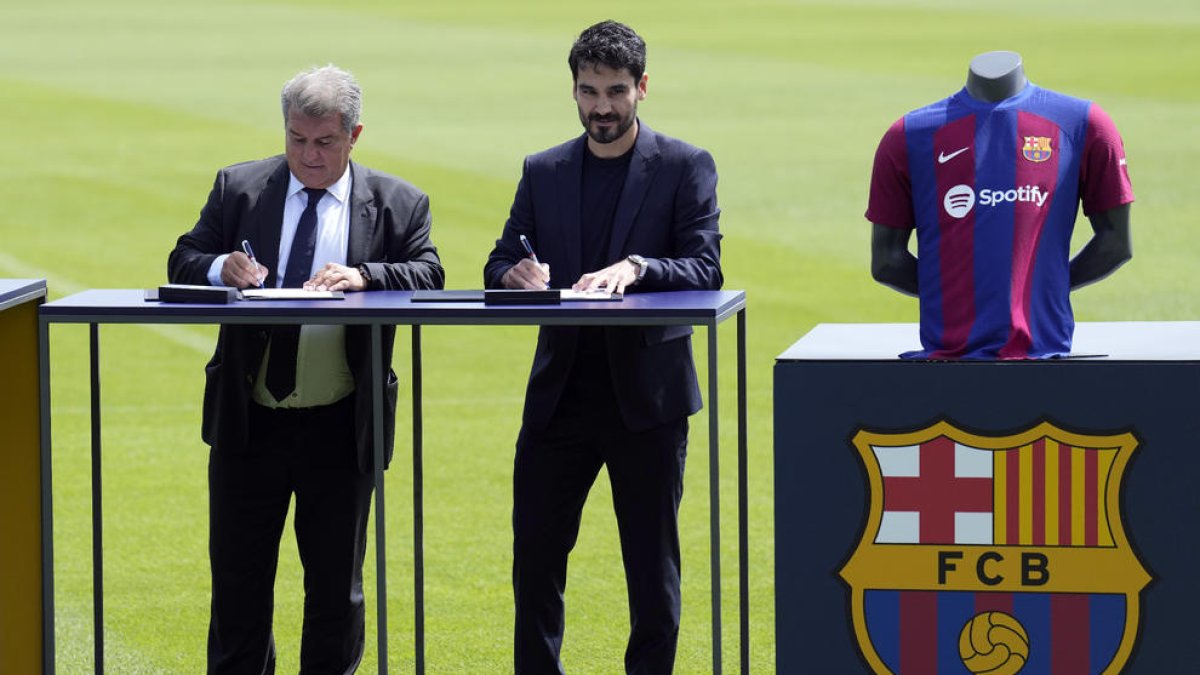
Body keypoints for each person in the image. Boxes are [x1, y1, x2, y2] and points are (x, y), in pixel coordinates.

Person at [168, 64, 444, 673]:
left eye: (324, 142)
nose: (308, 155)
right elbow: (184, 258)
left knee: (335, 597)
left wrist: (365, 275)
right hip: (249, 425)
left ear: (355, 135)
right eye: (296, 139)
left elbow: (430, 273)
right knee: (238, 592)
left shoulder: (398, 203)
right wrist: (222, 270)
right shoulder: (239, 188)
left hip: (342, 428)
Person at [484, 20, 722, 674]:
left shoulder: (684, 166)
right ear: (574, 90)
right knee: (535, 559)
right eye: (589, 92)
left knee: (651, 566)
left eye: (616, 91)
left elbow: (705, 267)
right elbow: (503, 255)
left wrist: (638, 266)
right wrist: (513, 273)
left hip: (648, 400)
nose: (602, 108)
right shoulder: (545, 170)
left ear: (642, 88)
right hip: (560, 398)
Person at [867, 50, 1134, 359]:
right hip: (1039, 362)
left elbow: (887, 262)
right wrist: (1036, 293)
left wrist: (965, 297)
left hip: (950, 369)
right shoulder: (906, 135)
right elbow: (1116, 243)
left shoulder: (1085, 124)